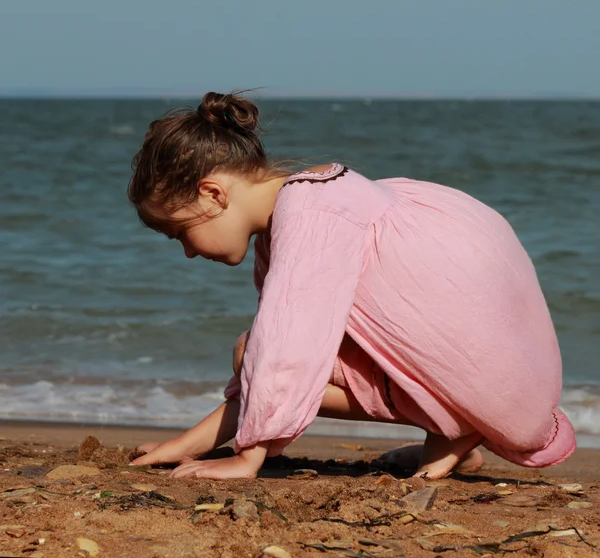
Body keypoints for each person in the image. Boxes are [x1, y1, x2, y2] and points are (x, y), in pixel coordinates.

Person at [127, 91, 576, 480]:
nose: (187, 251)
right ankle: (451, 432)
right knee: (265, 354)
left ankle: (459, 423)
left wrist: (248, 457)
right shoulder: (322, 192)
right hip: (511, 377)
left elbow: (285, 353)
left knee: (252, 353)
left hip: (498, 394)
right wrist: (190, 443)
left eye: (179, 232)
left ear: (213, 194)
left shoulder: (309, 216)